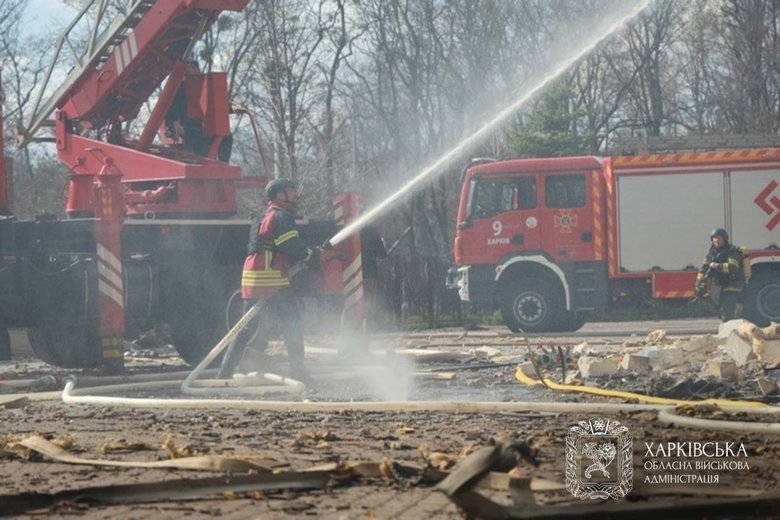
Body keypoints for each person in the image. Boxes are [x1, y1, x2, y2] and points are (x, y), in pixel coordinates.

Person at [218, 178, 319, 381]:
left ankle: (225, 374)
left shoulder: (264, 216)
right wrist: (311, 254)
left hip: (253, 277)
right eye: (291, 191)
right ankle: (300, 374)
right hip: (270, 279)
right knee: (292, 323)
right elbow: (290, 245)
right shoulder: (282, 216)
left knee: (245, 328)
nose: (295, 195)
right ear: (280, 194)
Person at [694, 227, 745, 321]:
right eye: (714, 238)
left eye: (719, 238)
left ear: (724, 239)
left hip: (731, 285)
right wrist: (699, 284)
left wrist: (717, 266)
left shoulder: (731, 250)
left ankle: (730, 331)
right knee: (718, 310)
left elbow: (733, 267)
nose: (716, 240)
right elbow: (704, 269)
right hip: (719, 285)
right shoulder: (712, 252)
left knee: (727, 312)